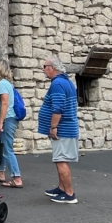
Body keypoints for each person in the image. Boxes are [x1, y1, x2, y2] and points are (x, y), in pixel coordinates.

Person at [38, 57, 80, 204]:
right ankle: (62, 189)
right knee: (59, 159)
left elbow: (58, 107)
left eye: (44, 66)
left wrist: (53, 127)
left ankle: (69, 194)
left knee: (61, 160)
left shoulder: (57, 83)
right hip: (67, 128)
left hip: (63, 129)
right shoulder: (66, 82)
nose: (43, 69)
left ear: (52, 67)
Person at [0, 61, 23, 188]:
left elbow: (4, 103)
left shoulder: (2, 85)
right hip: (9, 118)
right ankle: (0, 172)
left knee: (7, 149)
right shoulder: (7, 83)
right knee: (1, 146)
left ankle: (17, 177)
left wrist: (0, 122)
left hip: (7, 119)